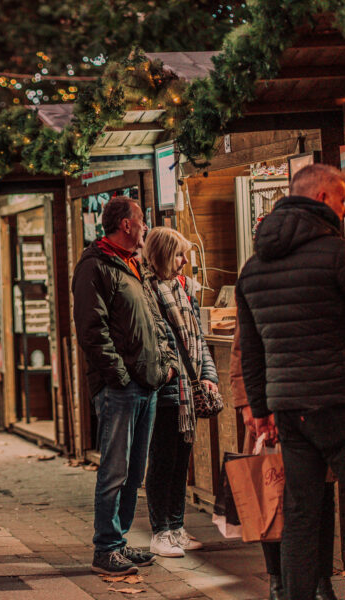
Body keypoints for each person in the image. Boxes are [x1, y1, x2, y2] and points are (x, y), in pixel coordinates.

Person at [237, 164, 345, 600]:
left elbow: (251, 351)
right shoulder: (340, 254)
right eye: (343, 200)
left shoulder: (252, 269)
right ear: (323, 198)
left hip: (291, 411)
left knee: (302, 514)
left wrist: (262, 410)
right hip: (343, 401)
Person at [72, 197, 177, 576]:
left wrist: (163, 365)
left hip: (145, 384)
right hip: (120, 387)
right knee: (114, 472)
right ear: (126, 225)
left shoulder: (133, 264)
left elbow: (152, 318)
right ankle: (106, 548)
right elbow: (91, 330)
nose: (146, 225)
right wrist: (119, 375)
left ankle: (120, 541)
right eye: (141, 219)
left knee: (134, 472)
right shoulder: (95, 266)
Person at [231, 322, 337, 600]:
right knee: (270, 496)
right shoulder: (256, 280)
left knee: (322, 496)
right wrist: (245, 405)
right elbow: (241, 350)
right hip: (267, 405)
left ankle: (321, 582)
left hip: (314, 401)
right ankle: (277, 582)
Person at [141, 227, 218, 558]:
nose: (184, 261)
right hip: (167, 388)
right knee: (163, 460)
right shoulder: (149, 291)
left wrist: (209, 375)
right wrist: (169, 371)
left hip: (189, 387)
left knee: (180, 460)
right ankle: (160, 532)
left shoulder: (182, 289)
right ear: (161, 255)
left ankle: (176, 527)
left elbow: (197, 337)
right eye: (178, 254)